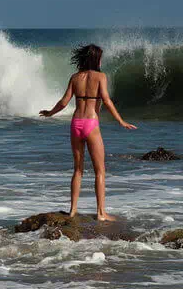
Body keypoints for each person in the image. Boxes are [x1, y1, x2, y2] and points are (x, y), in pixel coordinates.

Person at [39, 44, 137, 221]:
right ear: (96, 59)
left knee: (78, 169)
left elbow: (63, 102)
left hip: (76, 123)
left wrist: (50, 113)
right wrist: (121, 121)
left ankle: (73, 210)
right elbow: (106, 100)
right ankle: (101, 213)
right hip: (91, 124)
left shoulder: (75, 77)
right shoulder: (100, 77)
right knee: (100, 170)